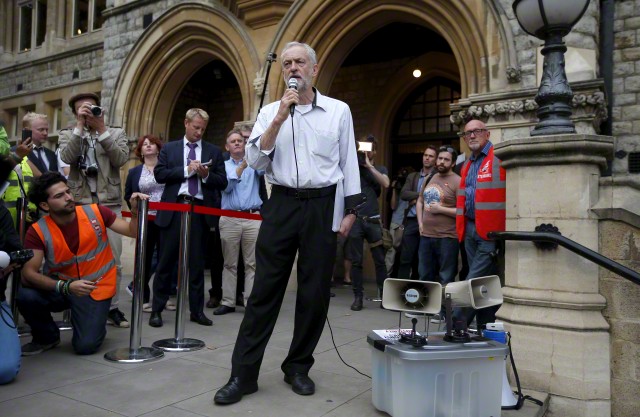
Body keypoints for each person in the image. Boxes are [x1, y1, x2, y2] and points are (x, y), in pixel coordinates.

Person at [214, 42, 361, 405]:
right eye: (287, 64)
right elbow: (255, 161)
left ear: (314, 67)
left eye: (299, 62)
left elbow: (348, 163)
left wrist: (351, 211)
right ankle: (243, 374)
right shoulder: (269, 112)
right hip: (281, 203)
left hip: (323, 204)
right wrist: (280, 117)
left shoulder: (338, 111)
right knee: (264, 290)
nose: (293, 68)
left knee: (314, 293)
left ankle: (297, 367)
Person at [17, 172, 147, 355]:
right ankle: (47, 337)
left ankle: (92, 320)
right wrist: (66, 286)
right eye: (59, 196)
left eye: (68, 191)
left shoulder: (96, 212)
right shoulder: (38, 230)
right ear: (45, 205)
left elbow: (132, 231)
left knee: (85, 346)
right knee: (26, 295)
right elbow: (28, 274)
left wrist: (134, 211)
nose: (69, 198)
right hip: (63, 287)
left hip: (96, 287)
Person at [148, 108, 227, 328]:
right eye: (196, 127)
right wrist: (187, 170)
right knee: (165, 262)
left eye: (203, 129)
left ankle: (196, 311)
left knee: (197, 263)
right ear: (186, 123)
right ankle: (157, 309)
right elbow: (160, 174)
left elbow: (222, 182)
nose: (199, 132)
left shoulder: (213, 151)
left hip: (199, 212)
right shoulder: (170, 149)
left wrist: (206, 175)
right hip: (174, 209)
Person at [58, 92, 131, 328]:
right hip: (79, 204)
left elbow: (120, 159)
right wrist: (80, 127)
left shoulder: (116, 132)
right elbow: (68, 157)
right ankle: (81, 305)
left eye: (91, 107)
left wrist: (102, 130)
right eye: (82, 109)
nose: (87, 111)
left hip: (108, 203)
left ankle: (113, 307)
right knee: (81, 259)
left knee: (115, 260)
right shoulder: (68, 134)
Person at [454, 120, 505, 329]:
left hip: (490, 232)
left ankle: (456, 324)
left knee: (472, 281)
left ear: (488, 133)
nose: (472, 136)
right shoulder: (468, 163)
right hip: (470, 229)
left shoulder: (500, 158)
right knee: (484, 283)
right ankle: (486, 327)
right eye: (467, 133)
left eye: (477, 131)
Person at [214, 129, 263, 316]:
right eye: (233, 141)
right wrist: (241, 168)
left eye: (240, 141)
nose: (237, 143)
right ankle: (228, 301)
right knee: (229, 263)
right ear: (227, 146)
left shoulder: (254, 164)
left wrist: (254, 147)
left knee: (252, 263)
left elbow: (266, 165)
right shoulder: (223, 166)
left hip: (252, 218)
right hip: (230, 218)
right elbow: (226, 187)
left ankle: (250, 301)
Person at [416, 146, 460, 322]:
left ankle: (443, 312)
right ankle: (425, 307)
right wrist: (420, 222)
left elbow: (463, 211)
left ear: (453, 163)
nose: (441, 162)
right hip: (426, 235)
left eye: (446, 159)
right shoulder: (430, 178)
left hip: (447, 237)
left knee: (445, 277)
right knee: (425, 273)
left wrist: (441, 209)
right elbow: (420, 201)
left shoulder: (458, 181)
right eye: (440, 158)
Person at [124, 135, 166, 313]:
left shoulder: (167, 169)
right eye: (144, 145)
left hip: (165, 219)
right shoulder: (134, 172)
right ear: (140, 151)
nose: (148, 146)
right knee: (144, 258)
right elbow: (128, 194)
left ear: (158, 148)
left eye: (152, 144)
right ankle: (142, 296)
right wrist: (134, 202)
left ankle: (162, 298)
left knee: (164, 259)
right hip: (145, 219)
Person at [348, 135, 389, 311]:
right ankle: (358, 297)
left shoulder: (378, 168)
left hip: (372, 220)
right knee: (356, 261)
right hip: (355, 220)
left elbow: (386, 183)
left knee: (380, 260)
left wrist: (369, 166)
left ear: (375, 152)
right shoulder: (352, 169)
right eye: (364, 149)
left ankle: (384, 296)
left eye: (370, 149)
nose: (366, 152)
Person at [397, 146, 437, 279]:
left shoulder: (437, 177)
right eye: (425, 155)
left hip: (429, 221)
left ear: (435, 160)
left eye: (431, 156)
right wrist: (421, 195)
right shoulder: (413, 176)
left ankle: (419, 290)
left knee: (424, 259)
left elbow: (437, 197)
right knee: (405, 258)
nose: (427, 158)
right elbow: (403, 194)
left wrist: (417, 199)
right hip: (411, 220)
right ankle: (401, 289)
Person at [384, 167, 411, 276]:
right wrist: (394, 188)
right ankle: (386, 278)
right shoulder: (396, 189)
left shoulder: (411, 187)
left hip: (408, 223)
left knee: (408, 251)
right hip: (396, 222)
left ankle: (407, 277)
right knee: (391, 252)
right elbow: (393, 206)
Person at [23, 113, 58, 177]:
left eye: (47, 130)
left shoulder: (52, 154)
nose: (45, 133)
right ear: (27, 130)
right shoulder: (16, 153)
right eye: (41, 130)